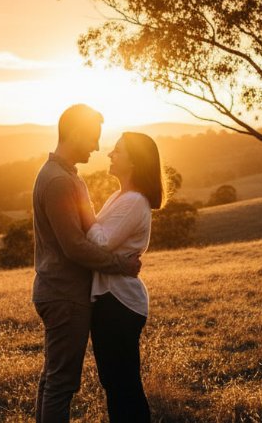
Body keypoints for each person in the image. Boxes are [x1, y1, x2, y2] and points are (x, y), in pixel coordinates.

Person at [32, 104, 141, 423]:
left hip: (59, 291)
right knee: (61, 385)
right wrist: (121, 264)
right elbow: (74, 246)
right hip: (66, 294)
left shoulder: (61, 175)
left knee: (52, 380)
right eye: (92, 137)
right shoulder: (59, 181)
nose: (96, 146)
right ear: (76, 133)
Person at [80, 132, 161, 423]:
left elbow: (100, 243)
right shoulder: (119, 197)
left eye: (118, 151)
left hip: (119, 303)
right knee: (114, 384)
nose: (110, 154)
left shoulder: (135, 202)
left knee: (123, 385)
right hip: (109, 300)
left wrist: (83, 210)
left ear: (135, 162)